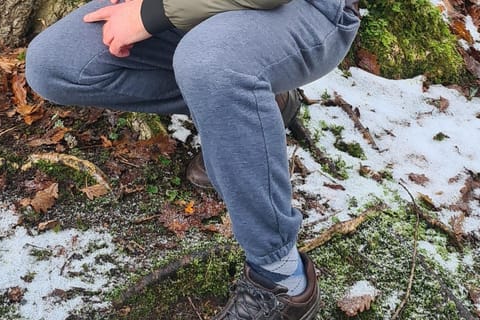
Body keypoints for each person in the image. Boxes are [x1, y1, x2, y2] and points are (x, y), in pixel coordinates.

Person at [25, 0, 360, 318]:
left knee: (210, 63)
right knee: (54, 63)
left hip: (307, 12)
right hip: (195, 15)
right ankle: (250, 103)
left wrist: (153, 13)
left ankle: (282, 278)